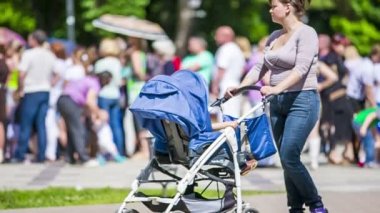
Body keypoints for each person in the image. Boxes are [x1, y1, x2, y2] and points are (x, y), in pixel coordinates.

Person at [225, 0, 327, 212]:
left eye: (273, 6)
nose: (270, 10)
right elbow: (260, 67)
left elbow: (301, 69)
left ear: (288, 7)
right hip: (277, 103)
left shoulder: (307, 33)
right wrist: (240, 88)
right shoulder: (274, 37)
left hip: (302, 100)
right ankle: (295, 208)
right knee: (286, 159)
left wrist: (276, 88)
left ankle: (316, 204)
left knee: (290, 154)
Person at [14, 30, 57, 163]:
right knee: (41, 124)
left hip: (31, 90)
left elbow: (21, 74)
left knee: (26, 124)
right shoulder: (50, 55)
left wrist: (19, 89)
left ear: (34, 40)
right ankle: (41, 154)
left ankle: (20, 154)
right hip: (45, 90)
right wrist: (50, 83)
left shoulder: (28, 54)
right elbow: (57, 73)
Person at [57, 71, 112, 166]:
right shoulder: (95, 84)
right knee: (78, 130)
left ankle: (69, 157)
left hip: (62, 100)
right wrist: (99, 113)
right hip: (71, 102)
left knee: (71, 130)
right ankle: (84, 158)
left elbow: (85, 104)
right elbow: (89, 101)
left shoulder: (88, 79)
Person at [94, 38, 124, 156]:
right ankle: (119, 151)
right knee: (116, 124)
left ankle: (105, 152)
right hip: (115, 95)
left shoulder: (99, 63)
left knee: (103, 125)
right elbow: (119, 81)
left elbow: (96, 82)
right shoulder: (117, 63)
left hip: (103, 95)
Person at [212, 26, 245, 118]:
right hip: (236, 86)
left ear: (226, 36)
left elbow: (221, 69)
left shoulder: (225, 49)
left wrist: (215, 86)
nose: (215, 38)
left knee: (225, 118)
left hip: (225, 87)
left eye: (217, 35)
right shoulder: (237, 49)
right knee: (233, 116)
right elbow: (242, 69)